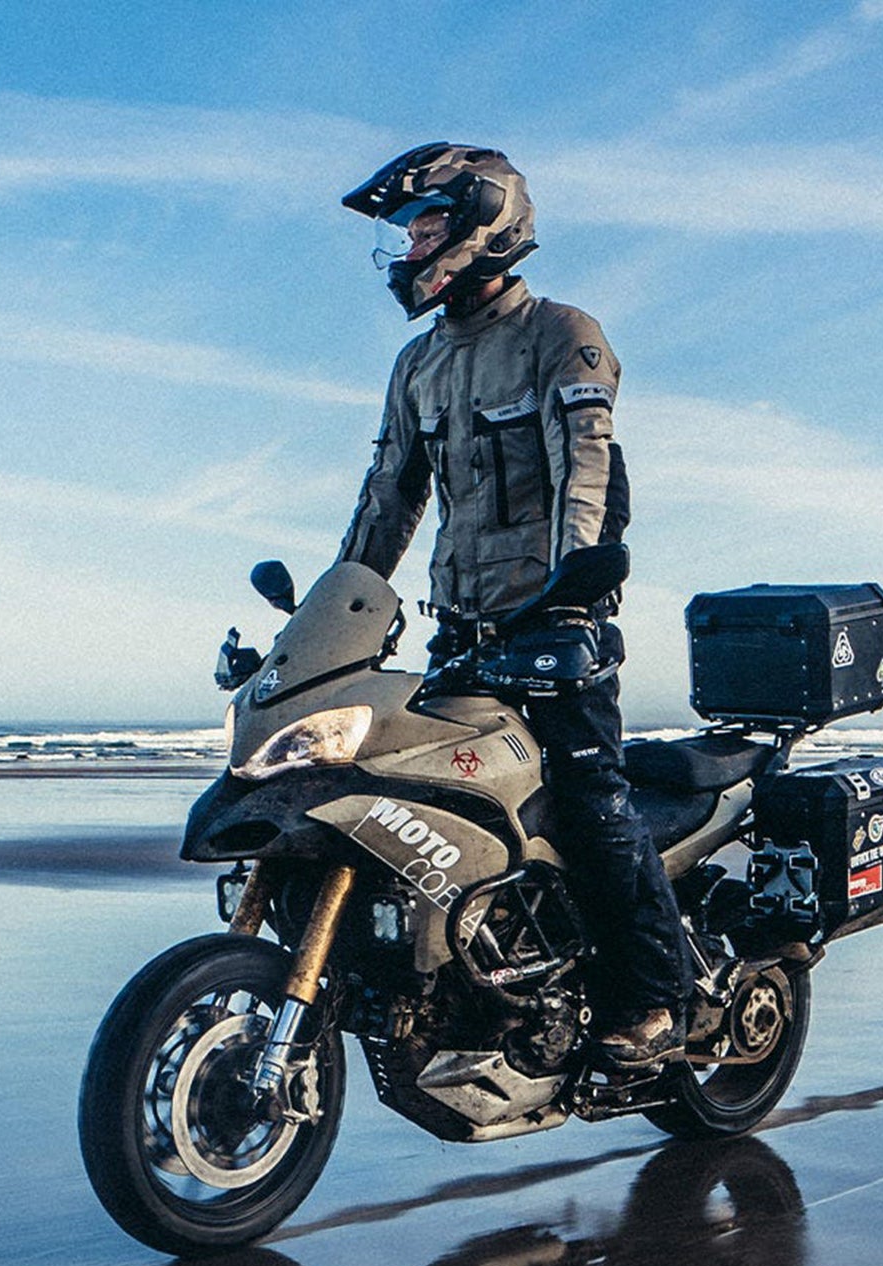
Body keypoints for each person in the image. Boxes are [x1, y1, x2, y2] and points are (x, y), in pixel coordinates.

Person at [335, 143, 689, 1067]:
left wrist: (579, 589)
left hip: (555, 620)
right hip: (461, 628)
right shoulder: (417, 366)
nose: (410, 247)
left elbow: (588, 471)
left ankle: (655, 997)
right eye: (408, 231)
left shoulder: (562, 335)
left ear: (485, 221)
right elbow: (386, 501)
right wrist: (337, 613)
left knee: (589, 801)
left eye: (426, 225)